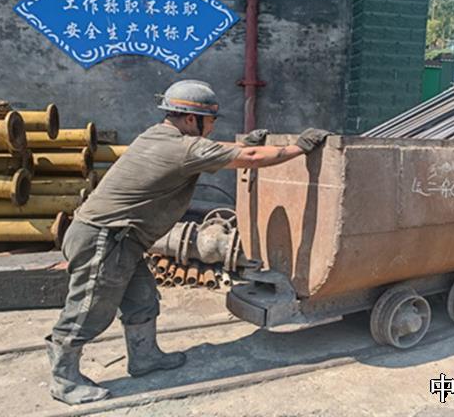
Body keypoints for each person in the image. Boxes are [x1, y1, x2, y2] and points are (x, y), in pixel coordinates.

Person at [45, 79, 330, 405]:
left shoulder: (156, 135)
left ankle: (145, 358)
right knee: (89, 310)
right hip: (104, 239)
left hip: (119, 239)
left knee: (142, 299)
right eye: (211, 120)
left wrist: (236, 145)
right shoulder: (184, 149)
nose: (213, 126)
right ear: (192, 119)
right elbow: (250, 156)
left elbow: (210, 149)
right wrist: (299, 148)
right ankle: (64, 380)